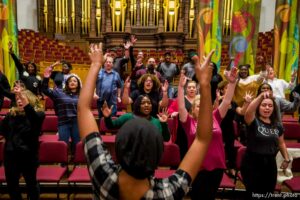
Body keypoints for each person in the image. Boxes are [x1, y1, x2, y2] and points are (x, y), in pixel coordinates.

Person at [77, 43, 214, 200]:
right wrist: (205, 85)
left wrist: (95, 65)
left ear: (118, 150)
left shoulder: (101, 175)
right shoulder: (168, 193)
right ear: (158, 156)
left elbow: (83, 109)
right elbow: (203, 140)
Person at [178, 63, 238, 200]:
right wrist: (181, 87)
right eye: (198, 106)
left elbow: (227, 101)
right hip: (197, 166)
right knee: (198, 196)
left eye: (204, 105)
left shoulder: (215, 117)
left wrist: (232, 83)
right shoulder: (189, 122)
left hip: (217, 166)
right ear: (193, 109)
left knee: (210, 197)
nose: (202, 108)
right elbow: (181, 107)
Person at [241, 88, 290, 198]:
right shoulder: (253, 121)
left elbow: (281, 143)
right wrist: (261, 96)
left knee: (268, 194)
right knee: (254, 195)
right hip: (252, 164)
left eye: (270, 105)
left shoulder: (278, 125)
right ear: (258, 107)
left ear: (274, 108)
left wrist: (286, 159)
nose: (267, 108)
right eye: (264, 105)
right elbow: (249, 111)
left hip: (270, 164)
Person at [0, 83, 45, 200]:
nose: (19, 101)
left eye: (22, 98)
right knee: (12, 185)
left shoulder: (39, 115)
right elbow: (3, 131)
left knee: (31, 185)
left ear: (30, 99)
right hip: (10, 155)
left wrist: (23, 100)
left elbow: (33, 118)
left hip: (28, 155)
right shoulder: (10, 115)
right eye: (17, 98)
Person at [42, 66, 81, 153]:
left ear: (78, 84)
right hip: (63, 122)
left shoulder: (81, 95)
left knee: (77, 144)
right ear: (66, 83)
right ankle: (63, 162)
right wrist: (46, 78)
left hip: (76, 122)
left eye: (75, 81)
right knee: (63, 144)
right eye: (70, 81)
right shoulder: (59, 92)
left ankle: (76, 162)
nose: (72, 82)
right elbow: (45, 90)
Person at [102, 94, 170, 141]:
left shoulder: (156, 121)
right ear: (138, 105)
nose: (146, 105)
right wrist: (107, 117)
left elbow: (166, 139)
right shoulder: (127, 117)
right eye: (143, 103)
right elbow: (111, 126)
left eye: (149, 103)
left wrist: (164, 124)